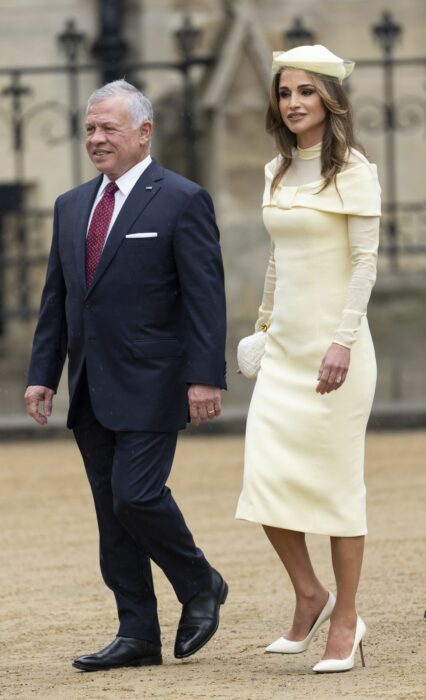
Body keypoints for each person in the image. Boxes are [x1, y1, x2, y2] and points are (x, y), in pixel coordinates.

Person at [25, 79, 228, 671]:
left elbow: (204, 298)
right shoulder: (70, 206)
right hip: (90, 385)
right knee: (111, 515)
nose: (96, 138)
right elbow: (57, 301)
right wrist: (44, 374)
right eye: (90, 128)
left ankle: (200, 582)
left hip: (155, 381)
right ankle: (137, 633)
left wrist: (204, 376)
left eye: (109, 128)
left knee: (135, 497)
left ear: (144, 132)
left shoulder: (182, 199)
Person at [236, 45, 381, 673]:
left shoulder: (354, 169)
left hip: (337, 354)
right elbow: (278, 258)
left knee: (336, 490)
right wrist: (263, 327)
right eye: (285, 92)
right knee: (264, 479)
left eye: (305, 92)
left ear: (330, 99)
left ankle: (345, 619)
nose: (293, 103)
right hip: (286, 351)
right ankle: (309, 593)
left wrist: (342, 341)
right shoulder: (273, 171)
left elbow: (364, 263)